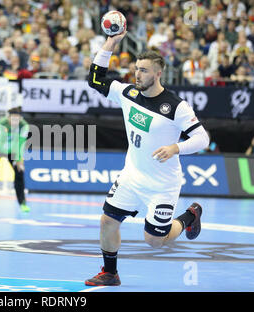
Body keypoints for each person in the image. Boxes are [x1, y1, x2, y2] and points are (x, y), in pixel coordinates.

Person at [85, 32, 209, 286]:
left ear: (158, 73)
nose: (137, 75)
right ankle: (110, 273)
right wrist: (110, 43)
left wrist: (176, 147)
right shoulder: (127, 93)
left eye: (143, 70)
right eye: (136, 69)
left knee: (154, 241)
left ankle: (190, 216)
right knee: (107, 221)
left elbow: (202, 139)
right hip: (131, 176)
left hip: (162, 185)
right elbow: (95, 79)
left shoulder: (176, 106)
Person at [0, 106, 30, 213]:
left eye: (17, 119)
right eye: (13, 118)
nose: (15, 121)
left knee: (19, 173)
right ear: (9, 117)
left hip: (13, 151)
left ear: (20, 118)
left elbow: (21, 143)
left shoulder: (24, 126)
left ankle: (22, 203)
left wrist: (19, 159)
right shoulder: (1, 124)